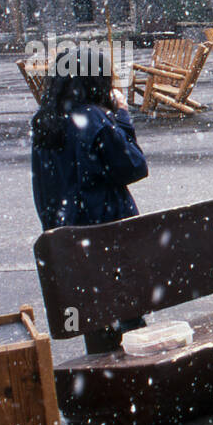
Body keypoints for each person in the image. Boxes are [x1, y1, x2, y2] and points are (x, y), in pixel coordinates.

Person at [31, 45, 149, 350]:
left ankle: (104, 384)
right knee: (128, 323)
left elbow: (44, 187)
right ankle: (133, 384)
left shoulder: (45, 121)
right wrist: (122, 115)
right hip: (110, 235)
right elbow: (133, 165)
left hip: (69, 238)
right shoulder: (95, 119)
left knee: (97, 323)